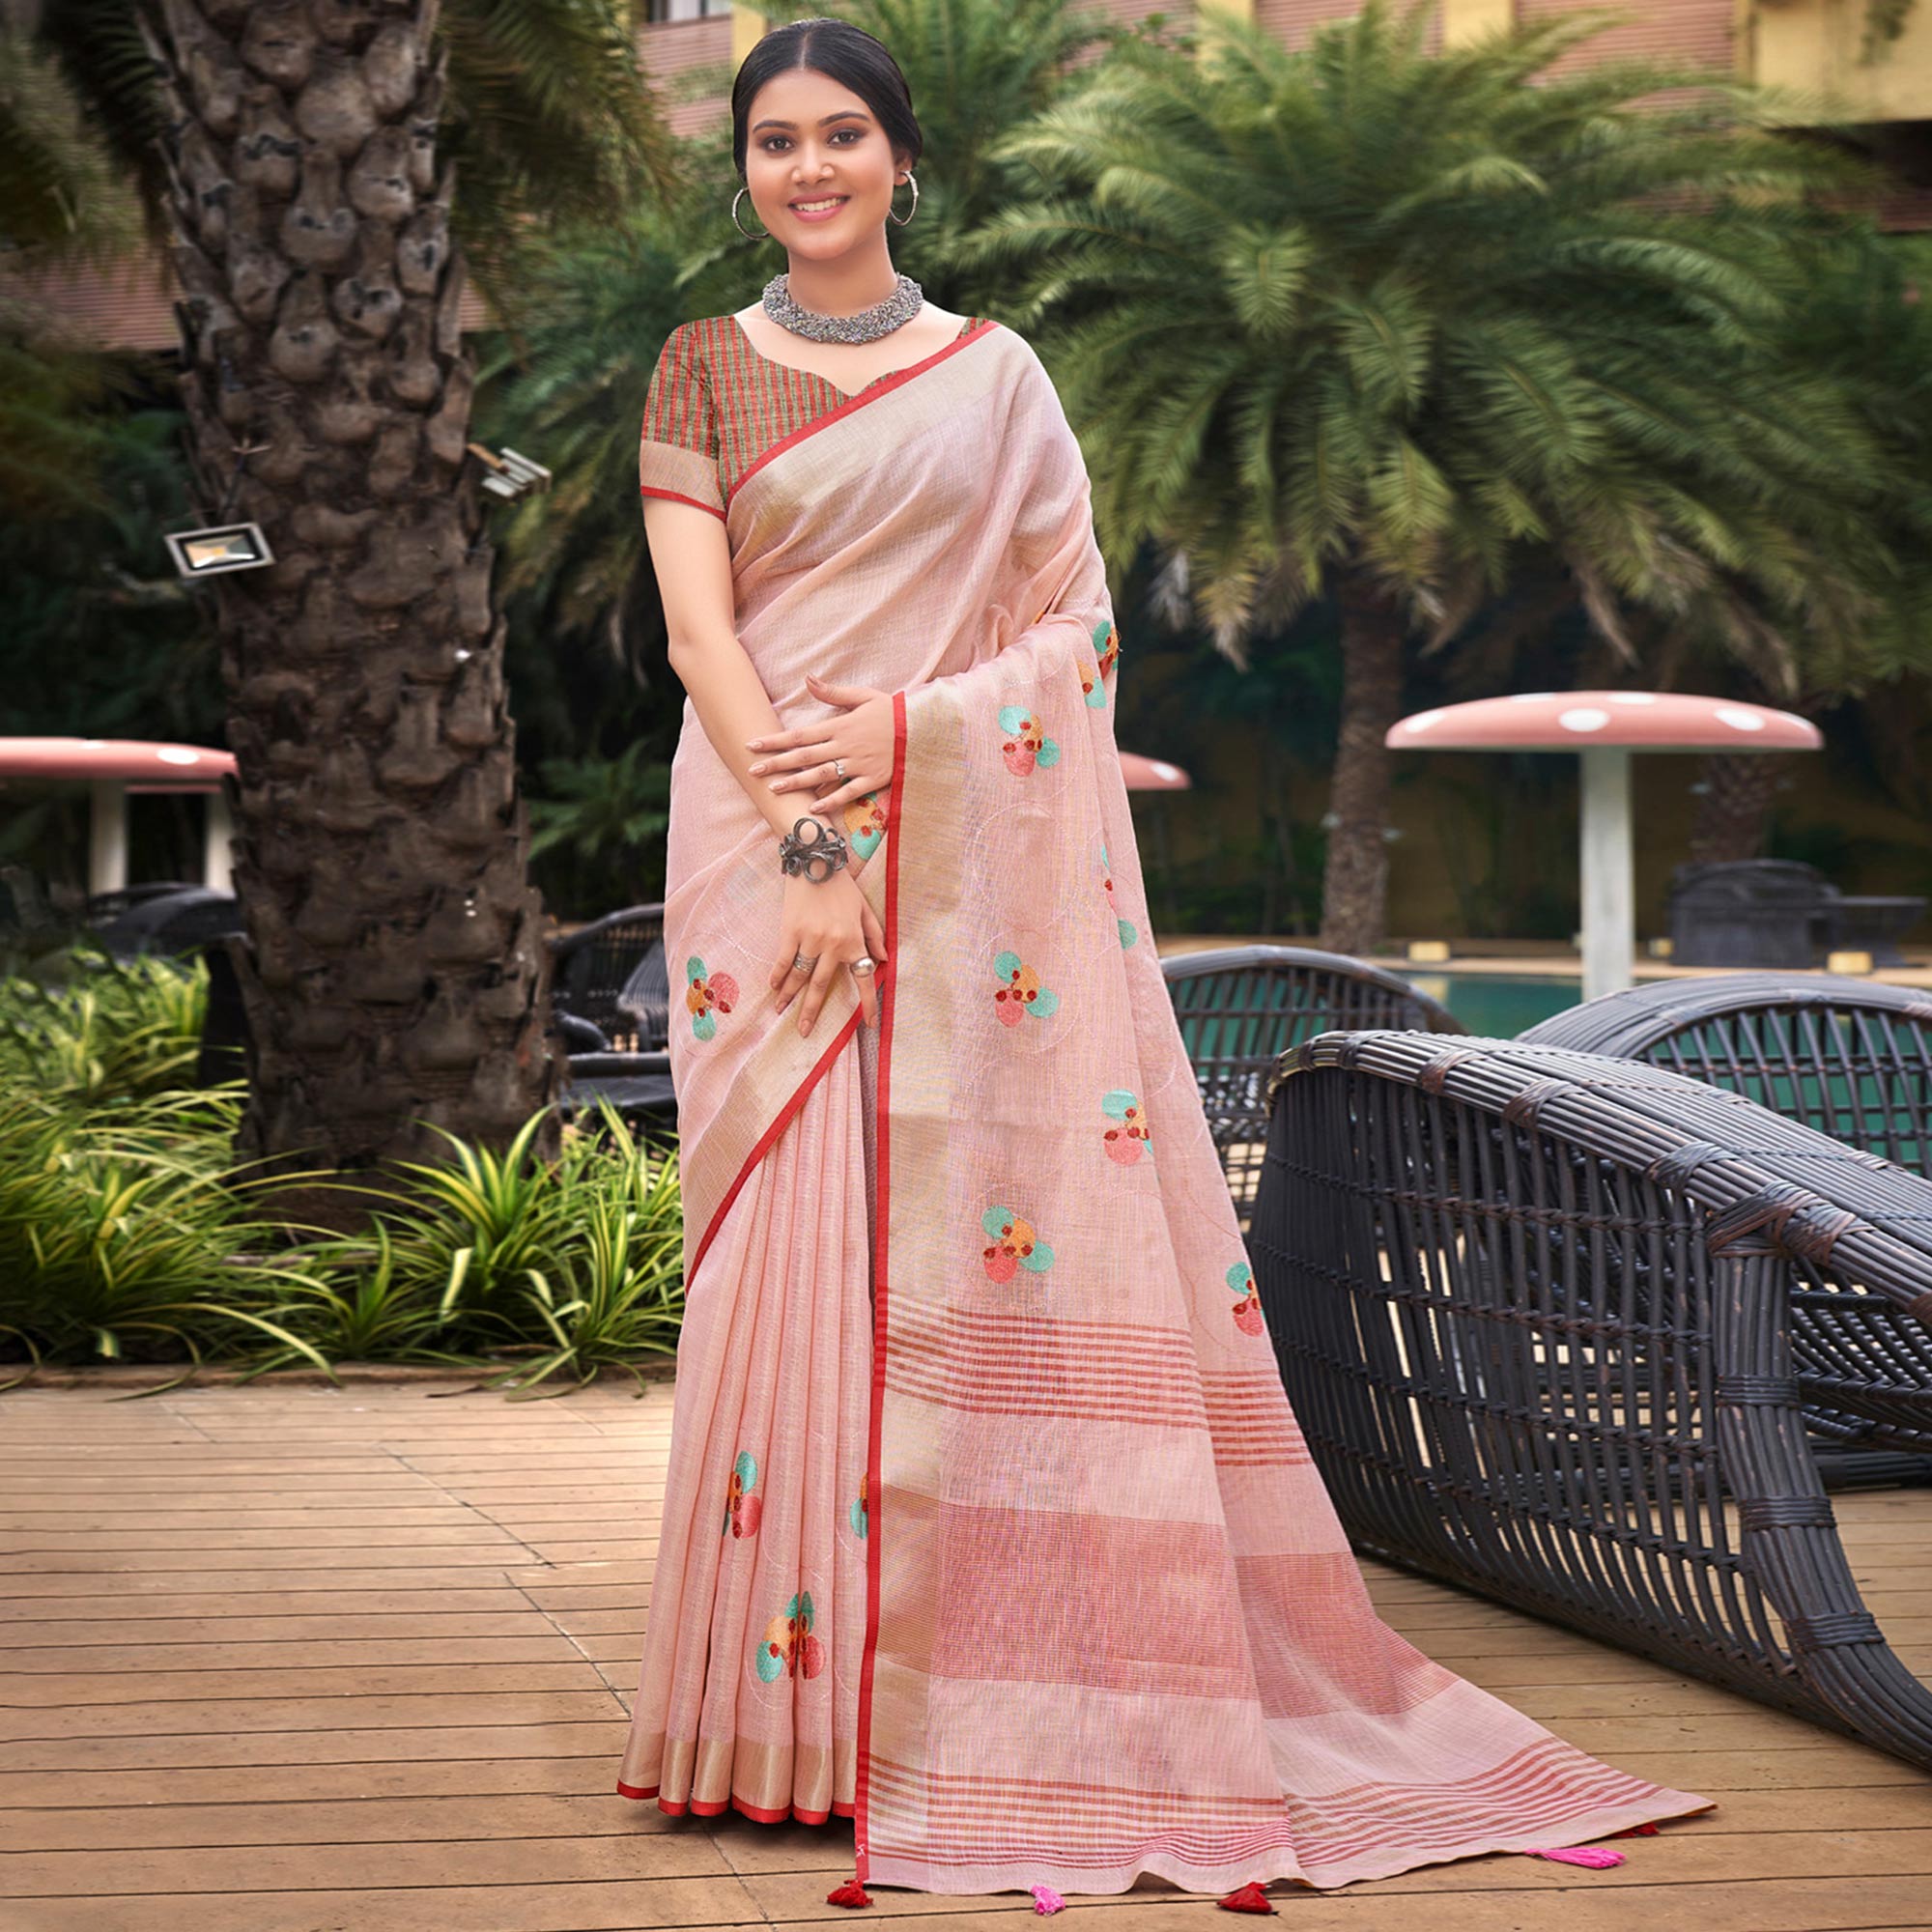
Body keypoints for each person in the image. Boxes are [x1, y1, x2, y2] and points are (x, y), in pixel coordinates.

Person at [615, 13, 1716, 1904]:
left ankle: (954, 1706)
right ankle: (763, 1726)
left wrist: (898, 746)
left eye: (841, 137)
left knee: (951, 1260)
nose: (807, 169)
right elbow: (705, 642)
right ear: (747, 165)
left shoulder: (997, 375)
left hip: (948, 845)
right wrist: (806, 837)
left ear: (902, 158)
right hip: (761, 840)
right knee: (785, 1270)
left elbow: (1070, 637)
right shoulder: (701, 367)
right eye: (774, 141)